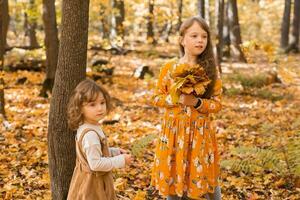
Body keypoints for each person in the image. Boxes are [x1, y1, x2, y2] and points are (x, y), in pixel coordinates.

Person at [151, 16, 222, 200]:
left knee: (203, 185)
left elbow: (217, 103)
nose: (200, 40)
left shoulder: (210, 70)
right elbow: (156, 98)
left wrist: (197, 103)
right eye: (194, 36)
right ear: (182, 40)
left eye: (204, 36)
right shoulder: (169, 68)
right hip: (174, 134)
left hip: (199, 135)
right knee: (174, 184)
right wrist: (176, 98)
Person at [66, 79, 132, 200]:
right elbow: (95, 164)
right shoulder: (90, 135)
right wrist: (120, 160)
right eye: (92, 105)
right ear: (80, 108)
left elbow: (94, 152)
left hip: (87, 178)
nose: (100, 108)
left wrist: (114, 152)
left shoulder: (89, 126)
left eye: (102, 102)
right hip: (93, 185)